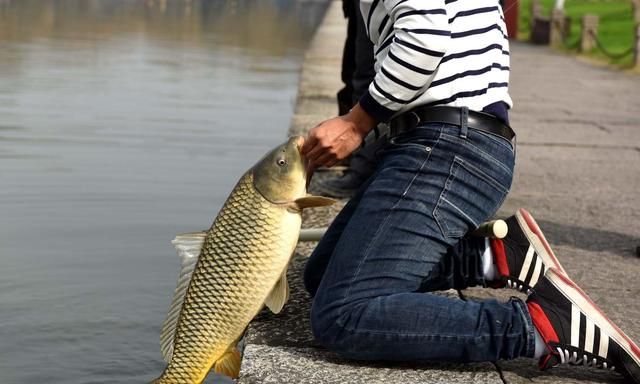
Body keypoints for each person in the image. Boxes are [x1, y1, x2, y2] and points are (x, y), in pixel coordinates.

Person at [300, 0, 640, 382]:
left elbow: (424, 38)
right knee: (324, 275)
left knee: (343, 314)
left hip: (446, 148)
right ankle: (491, 257)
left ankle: (543, 326)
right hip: (457, 141)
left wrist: (356, 123)